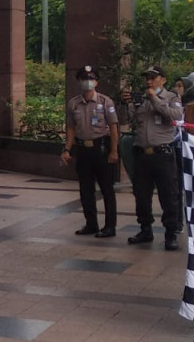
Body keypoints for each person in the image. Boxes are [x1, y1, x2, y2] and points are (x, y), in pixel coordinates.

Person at [119, 66, 184, 251]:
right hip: (142, 153)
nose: (149, 81)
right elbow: (126, 119)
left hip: (163, 154)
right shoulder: (141, 99)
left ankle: (170, 233)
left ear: (163, 80)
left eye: (153, 78)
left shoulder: (172, 97)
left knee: (168, 195)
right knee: (141, 195)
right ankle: (145, 229)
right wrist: (125, 103)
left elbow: (176, 116)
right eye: (147, 78)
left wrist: (155, 99)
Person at [60, 66, 119, 237]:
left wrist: (114, 151)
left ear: (96, 82)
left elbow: (113, 128)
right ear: (79, 82)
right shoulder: (73, 103)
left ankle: (110, 226)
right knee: (86, 189)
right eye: (84, 79)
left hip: (101, 148)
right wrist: (67, 149)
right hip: (83, 150)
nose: (88, 82)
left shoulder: (105, 102)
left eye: (91, 79)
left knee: (107, 189)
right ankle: (91, 224)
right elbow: (71, 128)